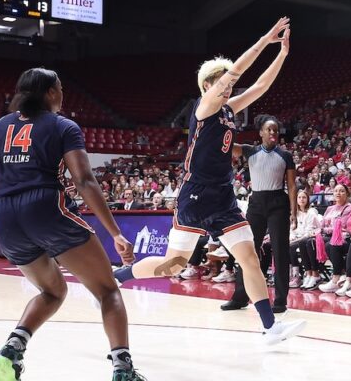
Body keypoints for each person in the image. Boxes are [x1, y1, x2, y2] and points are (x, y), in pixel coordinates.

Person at [113, 18, 305, 345]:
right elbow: (238, 74)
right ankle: (119, 277)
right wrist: (264, 39)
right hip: (196, 196)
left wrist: (282, 54)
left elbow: (259, 87)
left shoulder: (229, 110)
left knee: (250, 257)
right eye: (221, 81)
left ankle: (270, 327)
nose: (227, 86)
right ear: (208, 85)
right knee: (174, 265)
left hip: (223, 198)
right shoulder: (204, 107)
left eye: (227, 83)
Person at [0, 68, 147, 381]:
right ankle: (124, 370)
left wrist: (13, 187)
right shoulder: (64, 126)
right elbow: (84, 179)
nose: (63, 94)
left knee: (52, 291)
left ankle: (12, 349)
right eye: (60, 88)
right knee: (108, 290)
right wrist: (116, 233)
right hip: (43, 206)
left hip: (2, 214)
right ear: (50, 93)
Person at [223, 114, 298, 313]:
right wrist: (220, 127)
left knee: (280, 251)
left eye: (275, 130)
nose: (273, 133)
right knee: (248, 250)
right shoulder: (250, 151)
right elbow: (229, 145)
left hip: (278, 203)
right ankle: (240, 297)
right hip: (256, 203)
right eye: (269, 129)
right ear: (261, 133)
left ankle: (280, 300)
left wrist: (294, 212)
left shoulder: (285, 155)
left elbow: (291, 186)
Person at [288, 190, 321, 289]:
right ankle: (294, 275)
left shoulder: (311, 213)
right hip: (297, 238)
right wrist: (292, 238)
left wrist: (295, 240)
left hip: (308, 238)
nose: (301, 199)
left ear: (308, 199)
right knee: (287, 246)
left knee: (293, 246)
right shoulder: (294, 213)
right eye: (299, 197)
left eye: (304, 197)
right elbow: (292, 230)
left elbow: (308, 232)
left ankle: (301, 275)